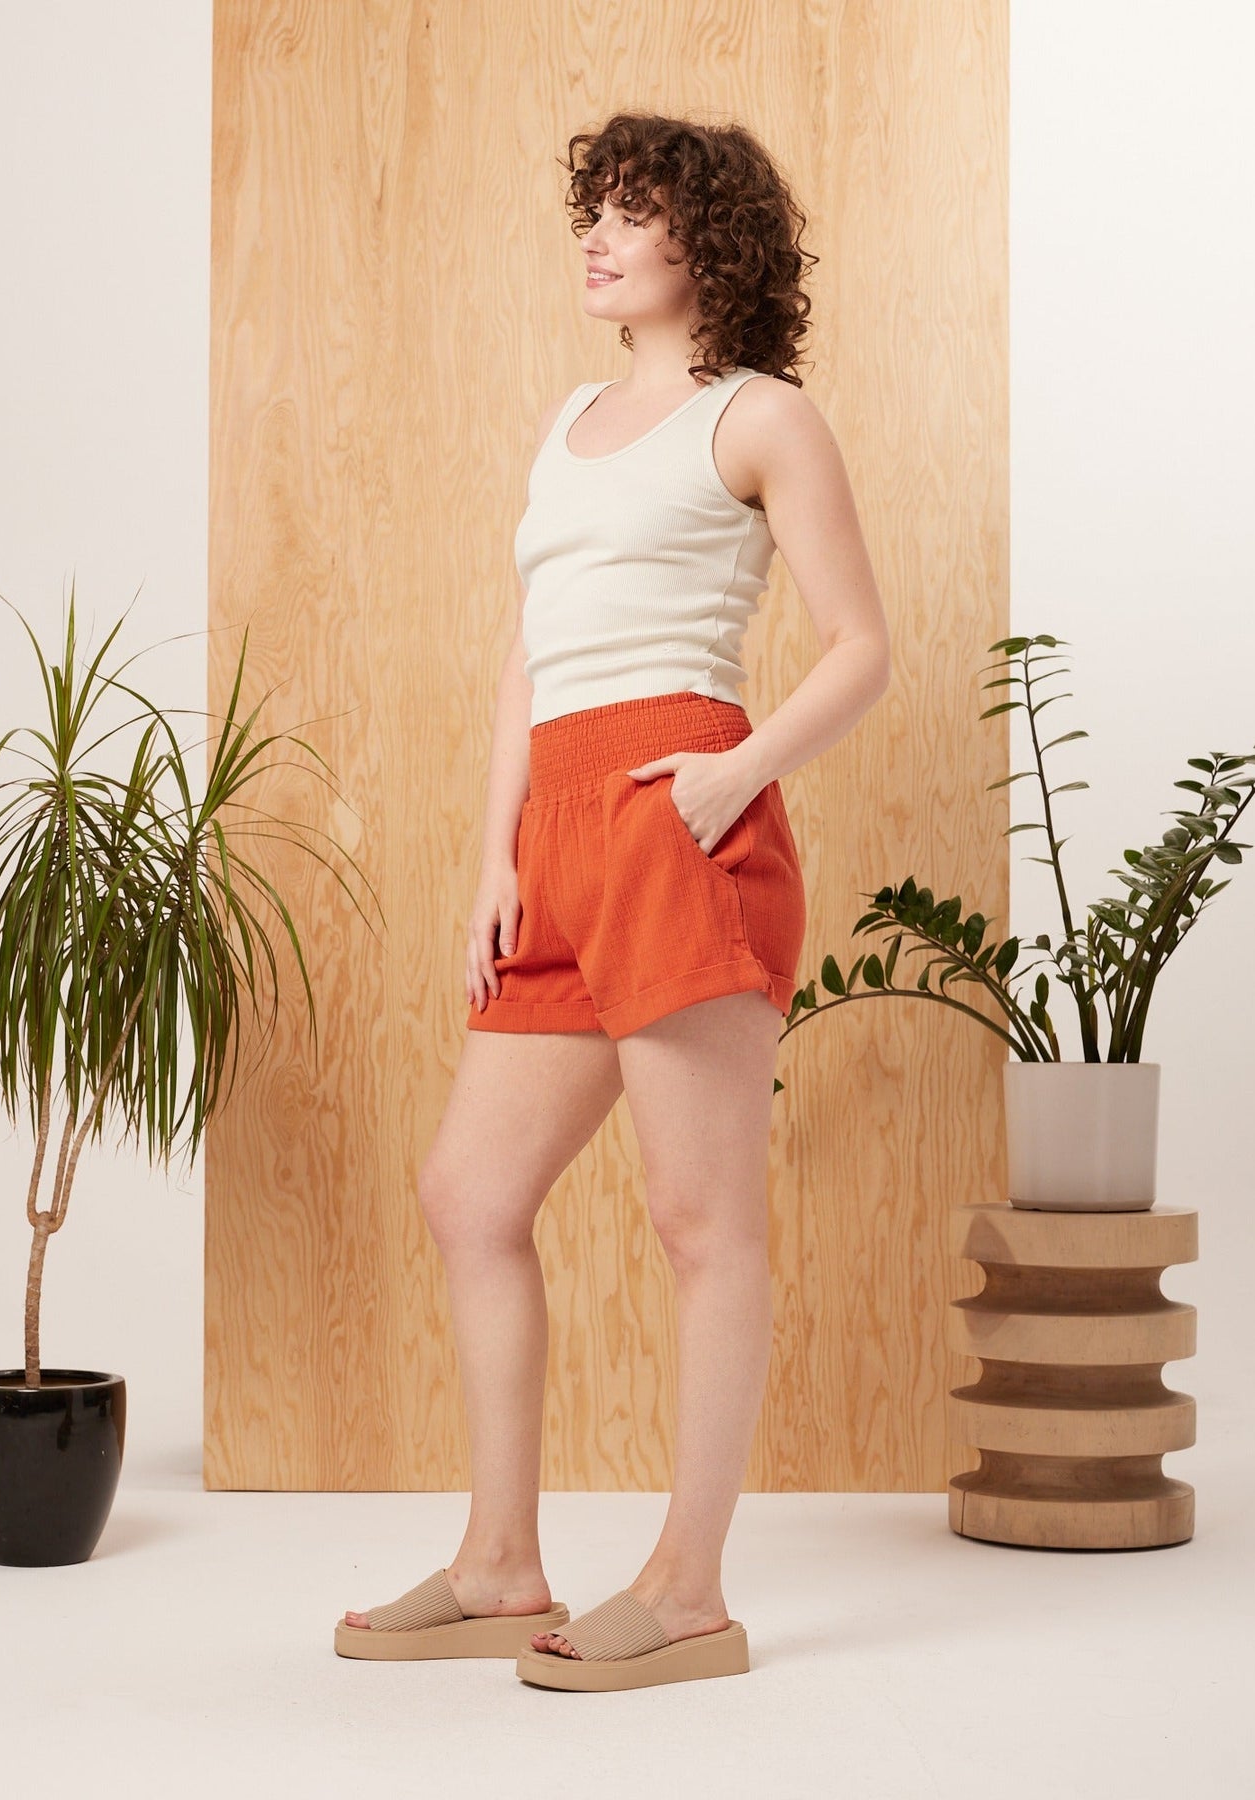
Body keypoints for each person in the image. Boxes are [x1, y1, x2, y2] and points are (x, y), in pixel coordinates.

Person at [335, 111, 890, 1691]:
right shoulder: (570, 418)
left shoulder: (762, 418)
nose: (598, 235)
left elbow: (862, 646)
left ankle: (689, 1590)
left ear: (711, 244)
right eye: (596, 208)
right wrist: (496, 858)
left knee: (699, 1219)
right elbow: (531, 651)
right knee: (469, 1194)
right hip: (558, 832)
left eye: (635, 213)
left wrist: (734, 776)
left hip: (676, 811)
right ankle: (500, 1565)